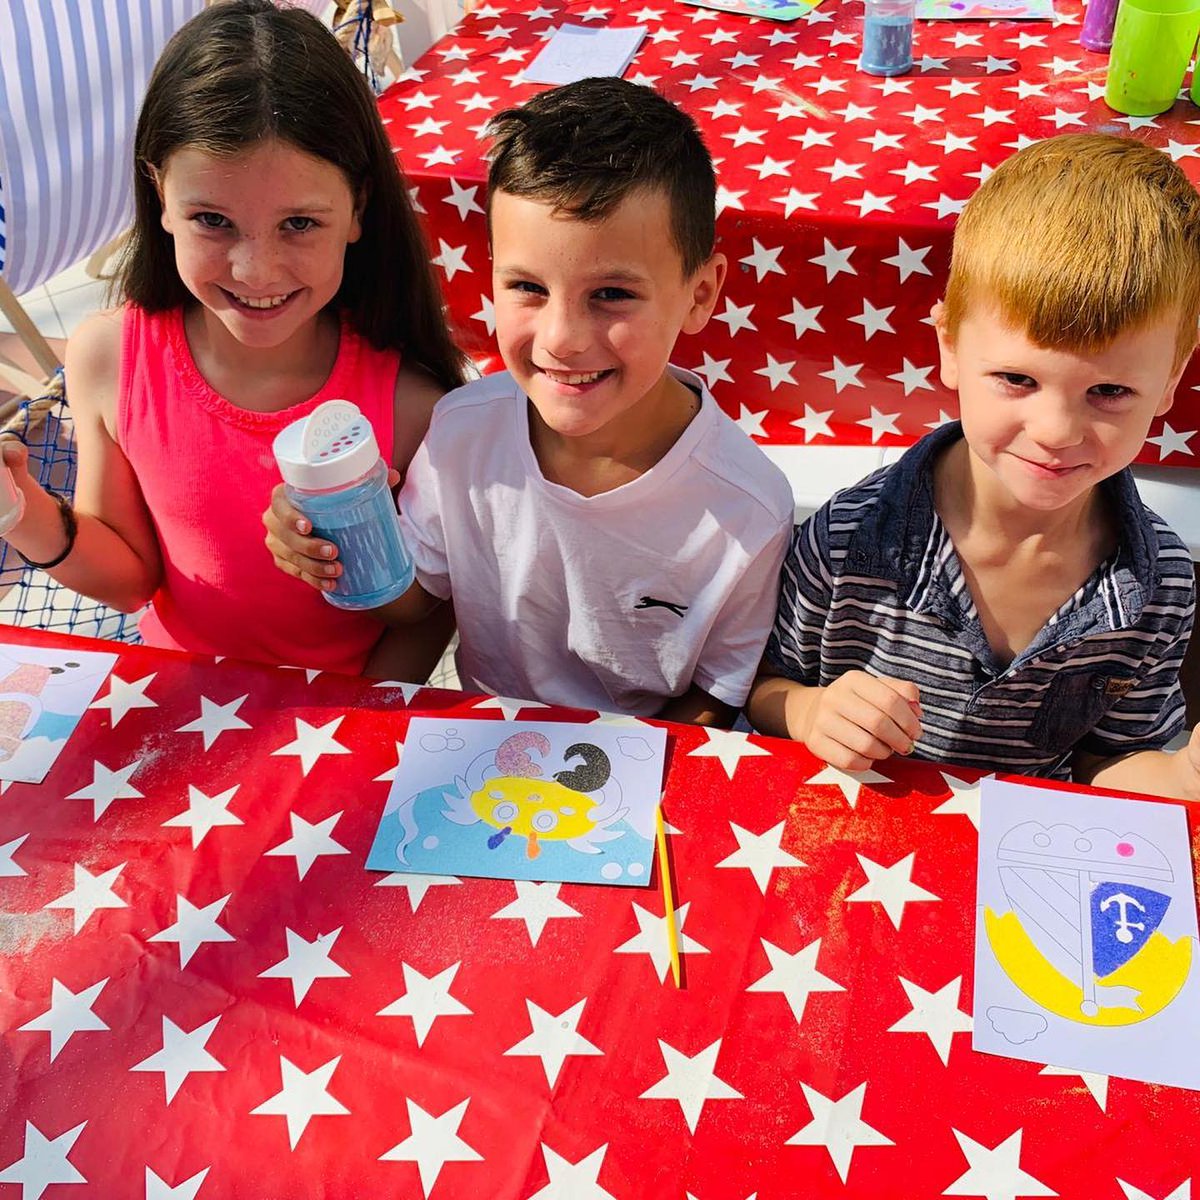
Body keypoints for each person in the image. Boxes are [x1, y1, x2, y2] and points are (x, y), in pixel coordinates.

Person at [266, 77, 794, 725]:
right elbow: (412, 602)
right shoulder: (461, 433)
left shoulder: (748, 510)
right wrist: (332, 546)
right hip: (478, 759)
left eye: (612, 295)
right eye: (527, 287)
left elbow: (716, 692)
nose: (562, 339)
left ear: (700, 292)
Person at [0, 0, 463, 678]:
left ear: (358, 208)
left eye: (299, 224)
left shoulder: (415, 404)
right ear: (160, 195)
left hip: (338, 733)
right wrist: (22, 511)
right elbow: (130, 577)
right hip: (180, 712)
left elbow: (429, 611)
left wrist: (344, 732)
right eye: (213, 219)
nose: (256, 272)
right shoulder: (110, 358)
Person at [748, 133, 1200, 799]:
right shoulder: (846, 543)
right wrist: (809, 710)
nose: (1055, 432)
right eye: (1017, 379)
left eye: (1108, 392)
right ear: (950, 350)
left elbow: (1108, 765)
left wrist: (1185, 773)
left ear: (1169, 383)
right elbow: (761, 689)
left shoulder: (1159, 585)